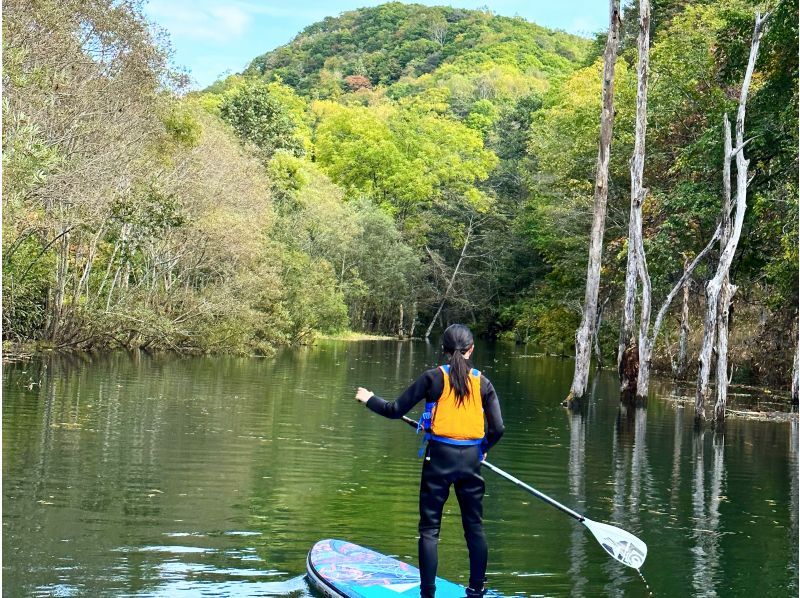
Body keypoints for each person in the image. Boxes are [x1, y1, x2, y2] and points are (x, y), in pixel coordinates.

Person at [354, 324, 504, 598]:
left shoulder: (432, 378)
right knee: (474, 528)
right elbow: (498, 429)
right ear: (472, 349)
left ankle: (428, 594)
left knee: (429, 530)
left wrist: (369, 399)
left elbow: (394, 410)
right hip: (471, 460)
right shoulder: (483, 383)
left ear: (444, 350)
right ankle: (476, 591)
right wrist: (483, 448)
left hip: (439, 458)